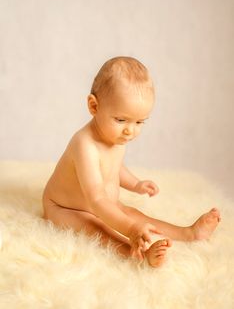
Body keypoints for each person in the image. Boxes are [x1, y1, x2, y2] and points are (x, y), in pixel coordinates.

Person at [42, 56, 221, 267]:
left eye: (139, 122)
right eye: (121, 120)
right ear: (93, 106)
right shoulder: (84, 144)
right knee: (97, 228)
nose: (130, 130)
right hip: (66, 209)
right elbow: (96, 199)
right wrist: (129, 229)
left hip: (104, 203)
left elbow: (114, 168)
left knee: (133, 214)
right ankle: (137, 254)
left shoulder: (116, 136)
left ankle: (188, 233)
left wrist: (135, 184)